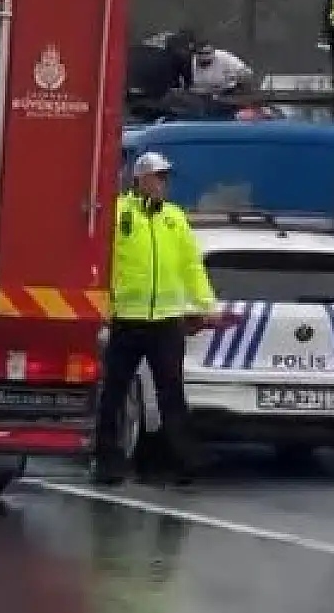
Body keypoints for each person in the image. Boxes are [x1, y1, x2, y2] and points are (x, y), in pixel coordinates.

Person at [93, 151, 217, 487]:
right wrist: (102, 305)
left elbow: (191, 265)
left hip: (165, 321)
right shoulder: (120, 213)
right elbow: (103, 260)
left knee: (171, 393)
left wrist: (206, 304)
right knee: (114, 393)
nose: (163, 184)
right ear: (140, 179)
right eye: (157, 177)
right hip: (127, 318)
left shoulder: (174, 218)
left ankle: (182, 462)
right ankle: (107, 460)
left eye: (165, 178)